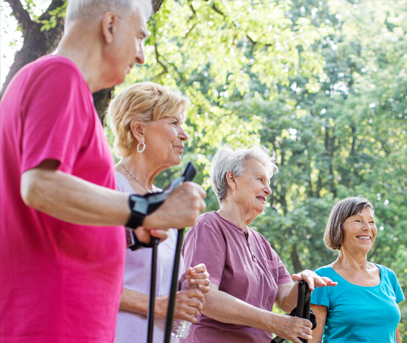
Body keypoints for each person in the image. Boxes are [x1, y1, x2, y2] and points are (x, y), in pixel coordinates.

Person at [0, 1, 206, 342]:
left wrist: (129, 232)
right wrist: (146, 210)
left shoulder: (45, 81)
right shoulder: (60, 76)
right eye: (139, 37)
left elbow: (47, 218)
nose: (141, 55)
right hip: (54, 321)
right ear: (110, 26)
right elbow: (39, 187)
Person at [182, 147, 337, 343]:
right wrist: (274, 322)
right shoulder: (209, 226)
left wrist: (305, 283)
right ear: (232, 179)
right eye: (260, 180)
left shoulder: (261, 243)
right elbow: (205, 298)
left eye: (268, 182)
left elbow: (286, 300)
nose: (268, 189)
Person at [107, 82, 212, 342]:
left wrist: (187, 283)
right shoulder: (107, 187)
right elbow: (85, 278)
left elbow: (159, 289)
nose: (184, 134)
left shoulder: (165, 201)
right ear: (139, 130)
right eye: (174, 122)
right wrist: (158, 306)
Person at [309, 196, 404, 343]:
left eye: (371, 222)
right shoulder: (321, 279)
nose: (367, 227)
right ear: (338, 227)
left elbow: (394, 335)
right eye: (358, 221)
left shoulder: (388, 276)